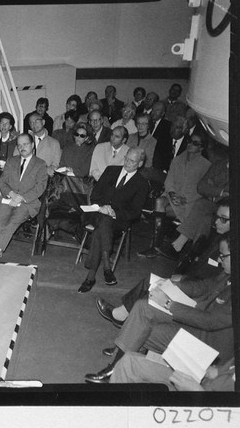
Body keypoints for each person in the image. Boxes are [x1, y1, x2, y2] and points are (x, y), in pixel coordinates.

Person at [85, 234, 232, 383]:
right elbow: (203, 286)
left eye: (223, 256)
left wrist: (169, 304)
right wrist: (172, 286)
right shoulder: (228, 274)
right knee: (144, 307)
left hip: (206, 347)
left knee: (144, 328)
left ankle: (119, 362)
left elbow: (209, 321)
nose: (219, 260)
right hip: (197, 327)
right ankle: (118, 363)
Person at [95, 201, 230, 330]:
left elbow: (213, 283)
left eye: (223, 219)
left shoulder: (230, 250)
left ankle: (126, 319)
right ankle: (123, 315)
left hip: (199, 296)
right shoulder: (217, 236)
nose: (217, 222)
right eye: (217, 217)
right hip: (192, 282)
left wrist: (183, 279)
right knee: (151, 281)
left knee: (153, 292)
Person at [78, 147, 148, 293]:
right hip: (97, 212)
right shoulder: (111, 170)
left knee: (102, 227)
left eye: (132, 162)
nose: (127, 163)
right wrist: (102, 207)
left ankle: (91, 277)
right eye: (126, 159)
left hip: (118, 220)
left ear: (140, 164)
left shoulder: (141, 183)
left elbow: (135, 212)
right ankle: (107, 267)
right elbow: (95, 194)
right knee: (104, 221)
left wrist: (114, 212)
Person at [152, 132, 211, 261]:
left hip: (190, 201)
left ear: (201, 148)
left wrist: (184, 199)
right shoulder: (177, 159)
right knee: (159, 202)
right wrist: (172, 194)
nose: (190, 144)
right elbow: (169, 181)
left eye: (195, 143)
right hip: (172, 196)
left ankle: (170, 243)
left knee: (192, 210)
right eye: (190, 141)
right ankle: (155, 245)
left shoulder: (206, 165)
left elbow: (202, 189)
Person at [0, 134, 48, 260]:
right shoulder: (11, 161)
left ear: (32, 145)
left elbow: (40, 187)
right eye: (19, 145)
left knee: (12, 222)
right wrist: (11, 194)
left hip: (27, 203)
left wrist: (21, 197)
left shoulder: (40, 164)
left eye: (25, 144)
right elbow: (2, 181)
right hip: (8, 199)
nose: (22, 147)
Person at [110, 351, 235, 391]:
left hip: (201, 403)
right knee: (130, 360)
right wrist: (217, 370)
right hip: (202, 379)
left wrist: (198, 391)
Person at [27, 112, 62, 177]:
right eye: (31, 123)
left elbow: (55, 164)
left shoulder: (54, 143)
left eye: (36, 121)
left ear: (43, 122)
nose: (33, 124)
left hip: (44, 178)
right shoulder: (26, 140)